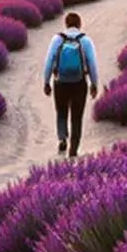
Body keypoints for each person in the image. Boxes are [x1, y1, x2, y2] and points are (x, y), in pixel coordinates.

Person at [41, 11, 100, 157]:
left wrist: (46, 82)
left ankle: (62, 138)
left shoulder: (57, 39)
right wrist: (94, 83)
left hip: (60, 82)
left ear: (66, 24)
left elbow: (49, 61)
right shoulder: (85, 40)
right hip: (79, 84)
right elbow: (92, 64)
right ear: (79, 24)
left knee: (61, 112)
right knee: (77, 116)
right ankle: (74, 147)